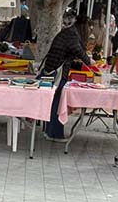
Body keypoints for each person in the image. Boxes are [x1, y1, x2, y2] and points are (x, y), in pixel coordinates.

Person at [39, 9, 92, 141]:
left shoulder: (69, 32)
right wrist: (89, 61)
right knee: (58, 102)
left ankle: (49, 131)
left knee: (53, 102)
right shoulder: (72, 35)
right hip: (57, 71)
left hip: (52, 68)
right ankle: (55, 134)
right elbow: (77, 50)